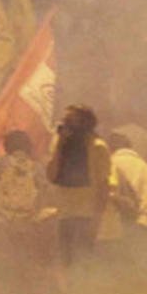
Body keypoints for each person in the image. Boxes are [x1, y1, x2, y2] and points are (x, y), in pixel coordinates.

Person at [46, 105, 111, 269]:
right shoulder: (62, 147)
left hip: (86, 215)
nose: (65, 124)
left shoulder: (97, 147)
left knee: (84, 263)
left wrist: (97, 219)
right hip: (65, 213)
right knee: (66, 264)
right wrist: (60, 144)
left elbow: (104, 186)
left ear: (84, 123)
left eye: (70, 121)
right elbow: (52, 176)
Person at [108, 132, 147, 232]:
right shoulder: (146, 167)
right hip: (142, 225)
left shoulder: (109, 164)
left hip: (115, 225)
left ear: (110, 148)